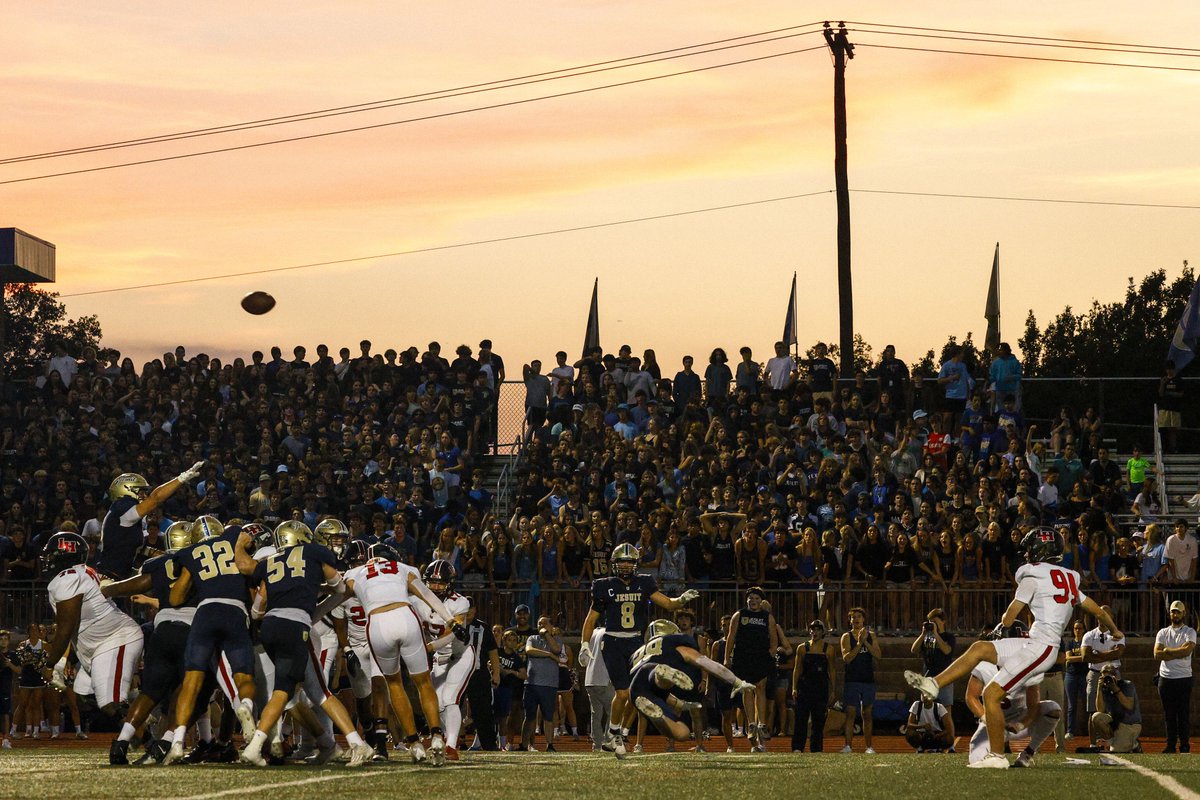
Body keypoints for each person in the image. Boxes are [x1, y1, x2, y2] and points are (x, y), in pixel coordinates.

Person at [906, 527, 1123, 768]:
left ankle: (998, 756)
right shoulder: (1069, 577)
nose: (1027, 555)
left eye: (1030, 550)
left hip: (1040, 647)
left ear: (1038, 551)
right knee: (980, 648)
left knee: (991, 693)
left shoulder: (1032, 576)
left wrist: (1003, 624)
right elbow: (1094, 608)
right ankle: (933, 683)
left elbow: (1010, 617)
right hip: (1036, 644)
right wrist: (1114, 630)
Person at [233, 521, 373, 768]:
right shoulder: (313, 552)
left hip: (270, 628)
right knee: (317, 691)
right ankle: (358, 744)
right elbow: (338, 586)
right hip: (295, 627)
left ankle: (259, 746)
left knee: (285, 691)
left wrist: (239, 543)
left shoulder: (269, 561)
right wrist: (333, 589)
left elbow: (256, 608)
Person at [342, 541, 467, 767]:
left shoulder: (354, 572)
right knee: (423, 683)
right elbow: (428, 594)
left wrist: (309, 616)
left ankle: (413, 742)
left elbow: (334, 598)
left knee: (394, 684)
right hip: (405, 617)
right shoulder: (403, 568)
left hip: (377, 624)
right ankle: (437, 737)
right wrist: (450, 620)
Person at [578, 543, 699, 758]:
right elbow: (591, 619)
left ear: (635, 564)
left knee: (638, 691)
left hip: (636, 641)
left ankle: (617, 733)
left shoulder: (644, 582)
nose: (625, 566)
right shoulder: (605, 585)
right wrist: (584, 644)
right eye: (621, 562)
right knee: (623, 692)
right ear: (614, 564)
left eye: (629, 561)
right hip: (613, 642)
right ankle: (617, 732)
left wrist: (680, 600)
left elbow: (668, 604)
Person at [161, 517, 258, 765]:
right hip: (235, 610)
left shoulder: (190, 553)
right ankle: (245, 705)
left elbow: (175, 598)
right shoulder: (233, 534)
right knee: (243, 677)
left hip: (205, 613)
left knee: (191, 681)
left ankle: (178, 741)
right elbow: (248, 540)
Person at [624, 619, 753, 749]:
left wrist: (682, 705)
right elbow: (709, 665)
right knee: (657, 679)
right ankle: (661, 677)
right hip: (653, 671)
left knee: (682, 733)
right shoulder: (672, 642)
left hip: (637, 690)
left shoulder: (637, 654)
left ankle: (659, 715)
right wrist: (737, 681)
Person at [963, 623, 1061, 768]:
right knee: (977, 760)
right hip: (991, 723)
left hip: (1017, 720)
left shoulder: (1031, 666)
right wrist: (989, 721)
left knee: (1052, 709)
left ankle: (1028, 753)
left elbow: (1034, 706)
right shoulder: (985, 665)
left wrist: (1021, 724)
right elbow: (971, 697)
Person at [97, 462, 205, 580]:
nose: (145, 496)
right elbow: (156, 498)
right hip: (111, 577)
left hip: (119, 572)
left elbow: (132, 547)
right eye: (141, 492)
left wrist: (169, 556)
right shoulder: (122, 506)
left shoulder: (122, 513)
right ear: (127, 490)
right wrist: (181, 478)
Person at [410, 560, 472, 760]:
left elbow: (451, 633)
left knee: (450, 698)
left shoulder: (459, 602)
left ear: (450, 583)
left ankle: (451, 747)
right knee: (435, 704)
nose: (436, 587)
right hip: (439, 656)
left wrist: (428, 647)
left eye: (441, 583)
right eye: (432, 583)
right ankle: (445, 740)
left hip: (460, 654)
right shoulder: (417, 600)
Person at [724, 586, 779, 752]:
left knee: (760, 688)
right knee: (747, 689)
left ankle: (762, 723)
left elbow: (774, 637)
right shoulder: (739, 615)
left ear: (761, 601)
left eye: (756, 598)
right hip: (743, 656)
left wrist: (771, 652)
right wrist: (727, 657)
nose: (753, 601)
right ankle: (751, 724)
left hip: (761, 657)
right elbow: (731, 637)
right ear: (747, 600)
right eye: (751, 598)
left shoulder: (767, 617)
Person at [1154, 599, 1196, 754]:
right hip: (1166, 679)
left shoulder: (1190, 632)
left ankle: (1184, 745)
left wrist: (1167, 651)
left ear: (1183, 613)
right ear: (1169, 613)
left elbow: (1187, 651)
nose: (1175, 614)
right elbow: (1157, 654)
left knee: (1183, 714)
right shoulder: (1162, 632)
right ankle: (1170, 745)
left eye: (1178, 611)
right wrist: (1176, 652)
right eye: (1173, 611)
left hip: (1184, 678)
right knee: (1169, 715)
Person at [840, 606, 881, 754]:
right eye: (853, 617)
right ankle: (848, 746)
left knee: (867, 714)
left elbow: (878, 655)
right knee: (850, 713)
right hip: (852, 680)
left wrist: (866, 642)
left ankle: (869, 747)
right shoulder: (846, 637)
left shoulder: (871, 635)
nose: (856, 619)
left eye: (859, 617)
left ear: (863, 619)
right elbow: (847, 658)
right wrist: (859, 643)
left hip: (867, 679)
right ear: (850, 620)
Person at [791, 619, 836, 753]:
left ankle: (816, 748)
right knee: (800, 719)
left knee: (818, 720)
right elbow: (797, 669)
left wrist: (833, 690)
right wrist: (794, 687)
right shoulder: (802, 648)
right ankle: (798, 747)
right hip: (804, 687)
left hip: (820, 688)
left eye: (817, 630)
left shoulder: (829, 649)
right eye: (812, 629)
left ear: (822, 632)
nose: (814, 632)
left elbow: (832, 670)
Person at [522, 616, 563, 752]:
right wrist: (549, 655)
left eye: (545, 623)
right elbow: (529, 651)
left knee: (548, 716)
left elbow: (556, 649)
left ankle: (550, 744)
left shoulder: (556, 639)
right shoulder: (532, 638)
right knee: (529, 716)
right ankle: (525, 744)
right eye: (539, 623)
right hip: (532, 683)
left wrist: (547, 634)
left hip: (549, 684)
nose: (541, 625)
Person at [1081, 605, 1123, 724]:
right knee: (1092, 711)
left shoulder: (1118, 634)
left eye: (1107, 614)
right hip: (1095, 674)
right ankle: (1093, 743)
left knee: (1115, 707)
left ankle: (1114, 740)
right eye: (1101, 614)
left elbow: (1118, 653)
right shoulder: (1089, 635)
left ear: (1112, 617)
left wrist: (1096, 654)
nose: (1103, 617)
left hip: (1113, 673)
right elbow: (1085, 657)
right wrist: (1109, 654)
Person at [1089, 664, 1142, 753]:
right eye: (1104, 677)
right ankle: (1112, 742)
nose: (1108, 680)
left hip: (1130, 724)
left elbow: (1129, 706)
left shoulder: (1127, 685)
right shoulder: (1104, 688)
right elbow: (1100, 710)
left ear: (1116, 676)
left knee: (1117, 751)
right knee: (1096, 717)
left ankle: (1135, 744)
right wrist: (1099, 688)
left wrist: (1115, 689)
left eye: (1109, 677)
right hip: (1114, 722)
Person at [910, 608, 955, 708]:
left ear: (943, 622)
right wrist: (923, 634)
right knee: (926, 709)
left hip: (945, 677)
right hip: (928, 677)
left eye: (935, 622)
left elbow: (947, 651)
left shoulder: (949, 637)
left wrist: (936, 634)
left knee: (946, 711)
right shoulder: (927, 636)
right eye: (930, 622)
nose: (932, 624)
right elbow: (914, 650)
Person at [579, 625, 613, 752]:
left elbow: (582, 660)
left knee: (596, 714)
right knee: (612, 712)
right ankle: (608, 742)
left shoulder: (589, 633)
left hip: (590, 679)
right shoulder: (609, 632)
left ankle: (597, 745)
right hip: (605, 677)